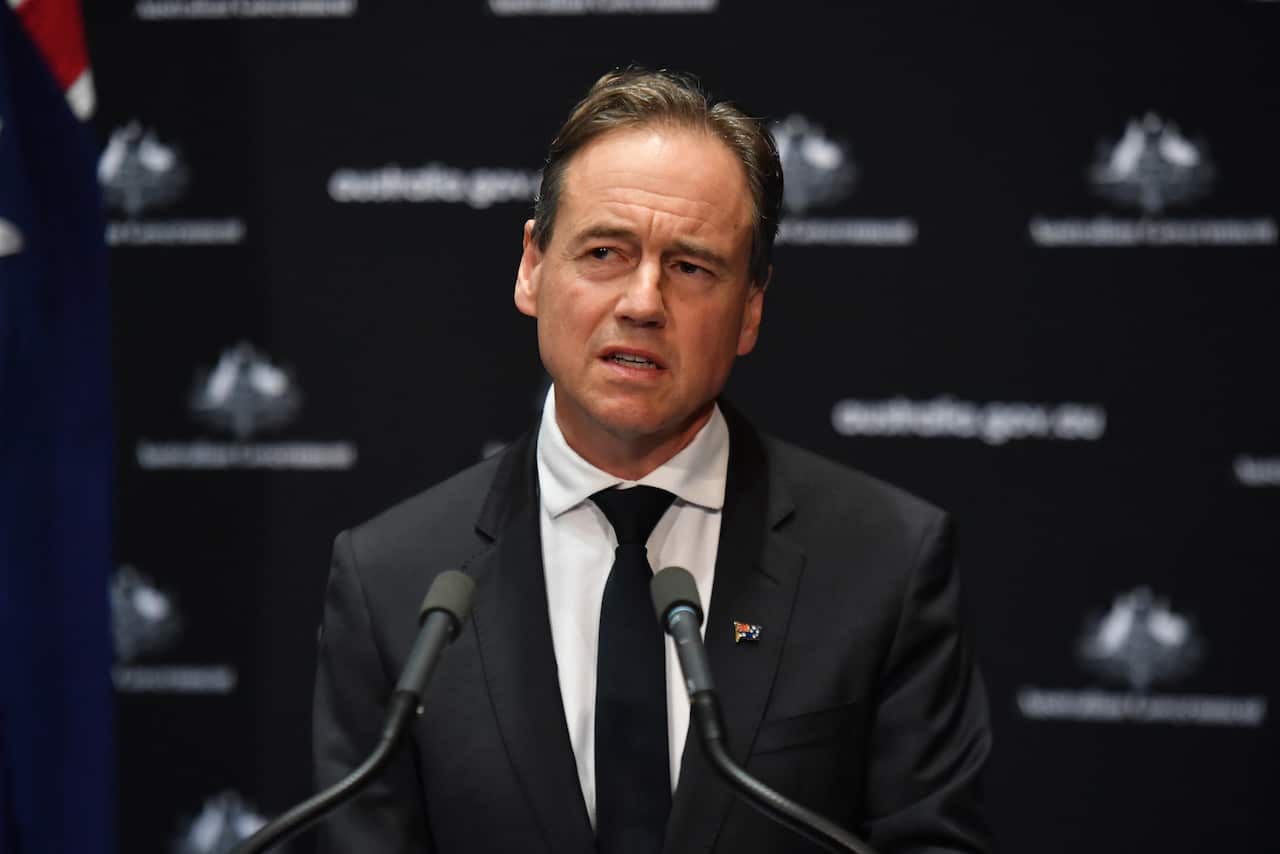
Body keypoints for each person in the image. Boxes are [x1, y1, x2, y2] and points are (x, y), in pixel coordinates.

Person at [313, 68, 992, 854]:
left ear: (751, 308)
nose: (642, 301)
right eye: (604, 251)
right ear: (533, 266)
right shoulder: (393, 580)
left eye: (691, 267)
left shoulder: (887, 564)